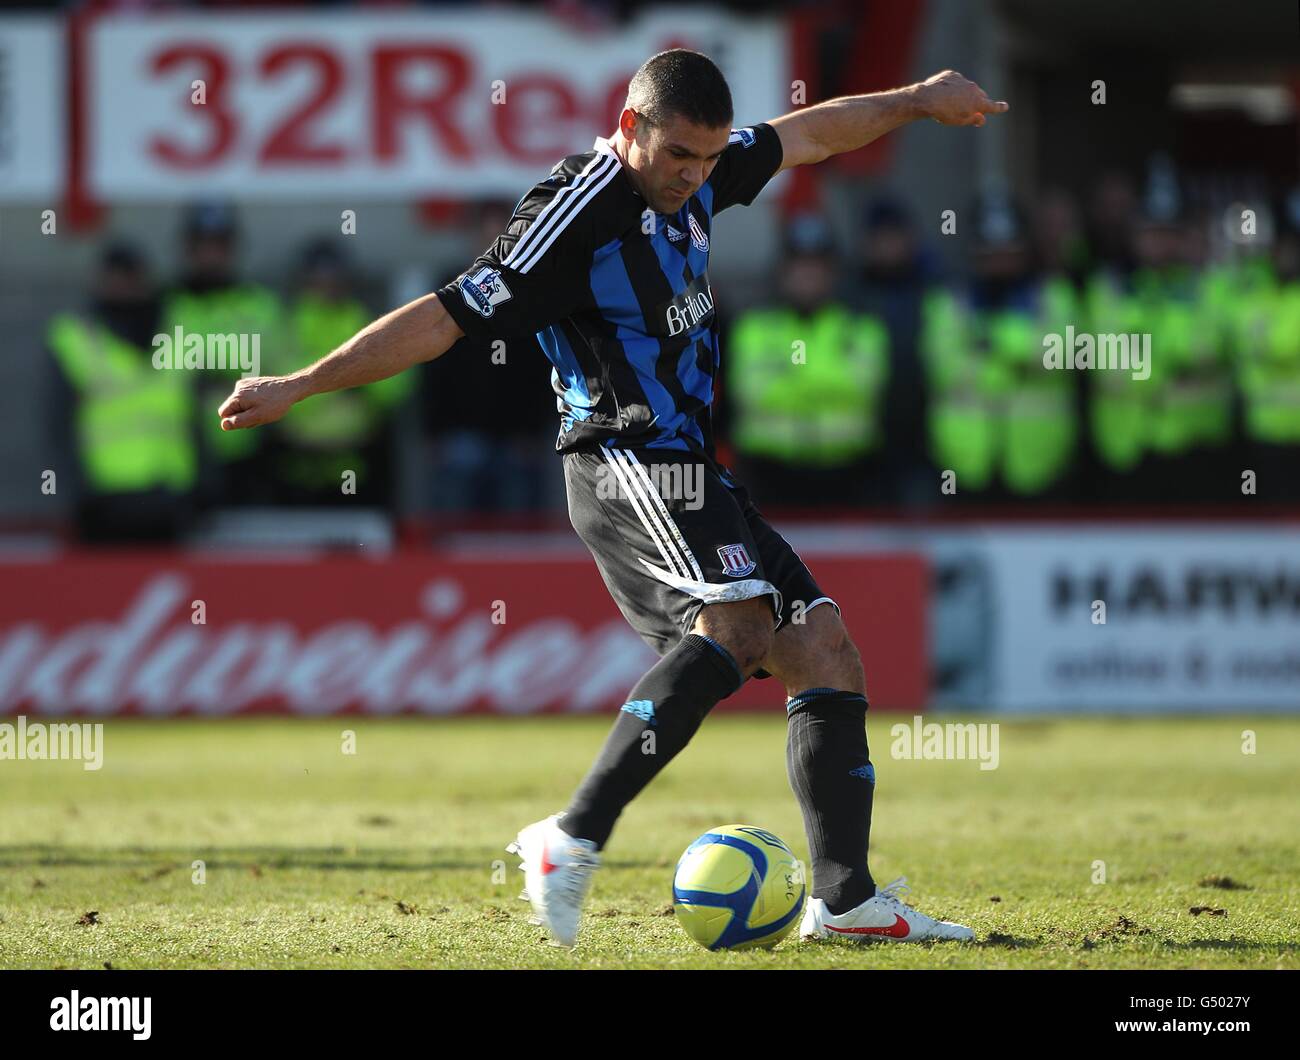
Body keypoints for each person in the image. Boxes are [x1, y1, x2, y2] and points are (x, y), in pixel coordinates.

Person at [216, 50, 1006, 948]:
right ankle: (570, 836)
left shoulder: (701, 172)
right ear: (628, 126)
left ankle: (847, 901)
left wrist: (916, 98)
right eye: (678, 155)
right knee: (740, 621)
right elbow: (442, 317)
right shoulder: (573, 211)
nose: (695, 175)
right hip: (621, 458)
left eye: (709, 159)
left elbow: (812, 133)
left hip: (691, 467)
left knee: (826, 648)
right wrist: (302, 384)